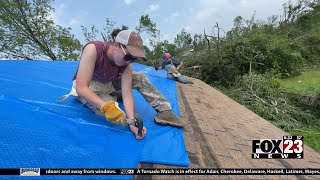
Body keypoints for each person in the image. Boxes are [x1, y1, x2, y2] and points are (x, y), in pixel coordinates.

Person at [57, 29, 186, 140]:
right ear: (118, 45)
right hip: (91, 86)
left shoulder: (126, 64)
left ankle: (165, 112)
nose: (130, 62)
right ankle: (110, 99)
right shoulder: (93, 49)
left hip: (110, 83)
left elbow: (127, 94)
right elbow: (81, 87)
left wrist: (131, 121)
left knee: (139, 77)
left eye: (134, 59)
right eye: (129, 57)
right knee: (109, 110)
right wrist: (106, 106)